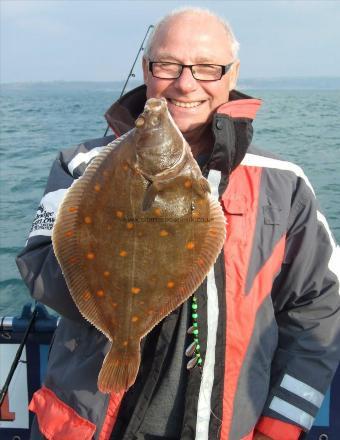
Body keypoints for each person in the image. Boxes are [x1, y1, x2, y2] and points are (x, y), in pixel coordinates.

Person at [16, 7, 340, 440]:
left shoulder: (285, 184)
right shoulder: (81, 165)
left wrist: (279, 427)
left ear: (232, 73)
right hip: (89, 424)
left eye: (207, 67)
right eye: (168, 64)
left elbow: (319, 307)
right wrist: (125, 262)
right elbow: (38, 263)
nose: (186, 83)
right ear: (147, 69)